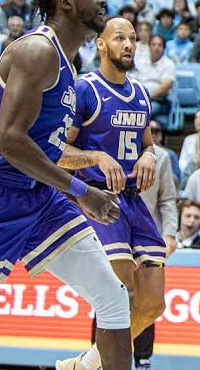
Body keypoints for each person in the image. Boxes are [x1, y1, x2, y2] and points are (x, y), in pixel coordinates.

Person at [0, 0, 132, 370]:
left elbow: (44, 146)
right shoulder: (37, 51)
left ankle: (81, 367)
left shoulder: (71, 61)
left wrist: (88, 164)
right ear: (65, 2)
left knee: (113, 296)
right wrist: (83, 191)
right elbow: (9, 140)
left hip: (40, 198)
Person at [57, 18, 166, 370]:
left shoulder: (141, 93)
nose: (130, 44)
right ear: (101, 44)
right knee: (120, 297)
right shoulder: (84, 88)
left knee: (152, 304)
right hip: (98, 200)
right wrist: (97, 157)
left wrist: (150, 156)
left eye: (134, 38)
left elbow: (148, 144)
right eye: (120, 37)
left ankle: (88, 363)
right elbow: (56, 150)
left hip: (133, 201)